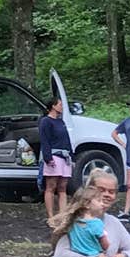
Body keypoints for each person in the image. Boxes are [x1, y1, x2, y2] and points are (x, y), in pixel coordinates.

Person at [38, 92, 74, 221]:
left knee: (63, 187)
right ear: (53, 106)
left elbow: (67, 139)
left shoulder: (61, 122)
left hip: (65, 157)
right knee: (51, 186)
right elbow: (45, 140)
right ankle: (51, 216)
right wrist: (48, 158)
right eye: (60, 104)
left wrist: (71, 155)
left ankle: (62, 215)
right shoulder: (46, 121)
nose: (62, 107)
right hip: (54, 156)